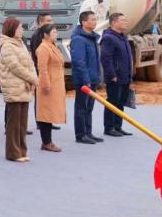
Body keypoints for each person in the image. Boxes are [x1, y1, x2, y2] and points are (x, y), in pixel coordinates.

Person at [0, 18, 37, 162]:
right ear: (11, 29)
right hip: (13, 87)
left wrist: (33, 77)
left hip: (24, 87)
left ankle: (21, 151)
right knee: (14, 124)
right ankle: (13, 153)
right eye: (19, 28)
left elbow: (30, 63)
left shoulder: (20, 44)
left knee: (22, 123)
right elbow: (15, 66)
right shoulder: (7, 45)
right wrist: (32, 78)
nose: (22, 30)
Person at [69, 11, 103, 145]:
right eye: (92, 19)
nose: (95, 22)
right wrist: (86, 80)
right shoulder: (78, 39)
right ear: (84, 22)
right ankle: (81, 134)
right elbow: (79, 62)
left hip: (92, 78)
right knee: (81, 108)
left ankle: (88, 133)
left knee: (89, 108)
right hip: (84, 81)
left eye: (95, 19)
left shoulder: (91, 37)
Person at [100, 12, 134, 137]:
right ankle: (109, 127)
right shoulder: (108, 38)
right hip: (115, 77)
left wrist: (130, 75)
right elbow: (106, 58)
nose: (125, 22)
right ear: (114, 23)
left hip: (125, 76)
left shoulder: (122, 37)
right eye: (122, 20)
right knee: (112, 102)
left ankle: (118, 126)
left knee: (121, 102)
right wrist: (112, 74)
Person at [34, 24, 66, 151]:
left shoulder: (52, 46)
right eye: (53, 32)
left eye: (56, 32)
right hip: (48, 84)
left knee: (50, 112)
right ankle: (46, 142)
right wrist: (46, 84)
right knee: (46, 113)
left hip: (56, 84)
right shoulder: (43, 48)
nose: (56, 34)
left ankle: (48, 141)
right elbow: (42, 68)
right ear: (45, 35)